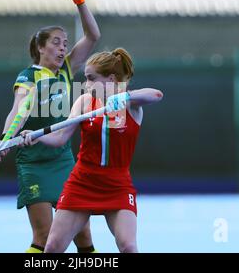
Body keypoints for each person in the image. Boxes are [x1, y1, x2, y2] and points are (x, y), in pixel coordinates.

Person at [21, 48, 164, 253]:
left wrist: (125, 96)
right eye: (85, 79)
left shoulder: (131, 105)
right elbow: (60, 137)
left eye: (91, 79)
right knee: (52, 247)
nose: (86, 85)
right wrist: (35, 136)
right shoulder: (85, 102)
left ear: (111, 79)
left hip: (117, 184)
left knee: (129, 246)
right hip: (82, 182)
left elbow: (156, 94)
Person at [0, 0, 101, 253]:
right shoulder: (28, 76)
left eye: (65, 43)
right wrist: (7, 137)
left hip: (64, 160)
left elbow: (94, 34)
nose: (63, 47)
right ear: (40, 48)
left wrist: (79, 1)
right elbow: (17, 110)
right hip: (33, 162)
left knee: (83, 236)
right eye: (56, 42)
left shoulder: (67, 70)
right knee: (44, 236)